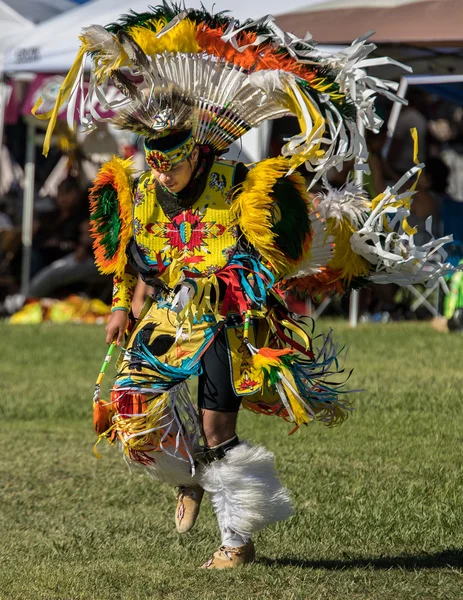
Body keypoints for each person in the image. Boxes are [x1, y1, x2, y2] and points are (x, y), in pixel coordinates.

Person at [36, 3, 452, 569]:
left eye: (174, 164)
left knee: (216, 428)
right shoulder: (139, 189)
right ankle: (189, 479)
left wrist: (250, 277)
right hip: (169, 316)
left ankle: (236, 540)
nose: (163, 174)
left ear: (197, 151)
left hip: (227, 318)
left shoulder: (240, 185)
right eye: (156, 164)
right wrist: (119, 305)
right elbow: (128, 254)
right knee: (129, 409)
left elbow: (275, 249)